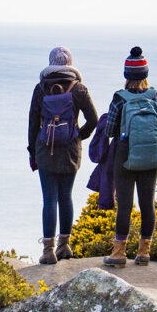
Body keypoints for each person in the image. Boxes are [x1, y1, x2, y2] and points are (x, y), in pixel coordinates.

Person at [28, 47, 98, 264]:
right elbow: (94, 120)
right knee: (65, 197)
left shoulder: (40, 88)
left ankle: (48, 251)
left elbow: (32, 123)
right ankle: (64, 247)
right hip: (70, 150)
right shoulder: (79, 89)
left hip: (45, 149)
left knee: (49, 198)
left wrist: (32, 151)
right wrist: (78, 136)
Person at [103, 46, 157, 267]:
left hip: (126, 157)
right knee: (147, 203)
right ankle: (144, 253)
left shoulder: (120, 99)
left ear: (126, 75)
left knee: (125, 205)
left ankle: (119, 253)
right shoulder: (156, 96)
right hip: (151, 157)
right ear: (145, 75)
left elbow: (110, 130)